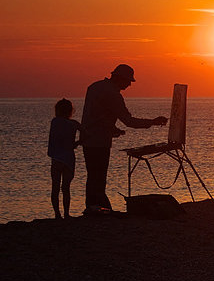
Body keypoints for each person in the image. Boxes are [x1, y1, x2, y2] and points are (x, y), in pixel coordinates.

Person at [80, 64, 167, 212]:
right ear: (120, 78)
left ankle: (92, 207)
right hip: (99, 141)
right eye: (128, 81)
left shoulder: (94, 87)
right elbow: (129, 121)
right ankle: (98, 208)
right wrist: (153, 122)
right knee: (99, 176)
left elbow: (95, 115)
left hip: (88, 138)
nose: (129, 85)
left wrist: (111, 128)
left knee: (93, 175)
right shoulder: (113, 95)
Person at [47, 98, 81, 219]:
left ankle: (57, 214)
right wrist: (78, 143)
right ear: (70, 111)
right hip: (68, 159)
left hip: (56, 159)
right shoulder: (74, 124)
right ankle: (66, 213)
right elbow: (86, 133)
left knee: (55, 188)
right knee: (66, 188)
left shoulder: (55, 122)